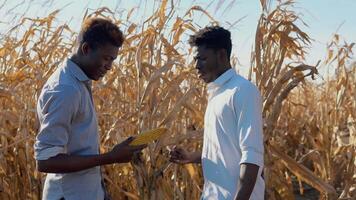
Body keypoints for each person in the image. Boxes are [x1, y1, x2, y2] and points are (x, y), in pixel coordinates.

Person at [34, 17, 146, 200]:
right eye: (106, 59)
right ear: (86, 49)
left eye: (113, 60)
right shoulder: (66, 90)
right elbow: (45, 162)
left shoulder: (79, 81)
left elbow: (80, 148)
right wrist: (110, 157)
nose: (110, 67)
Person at [169, 26, 264, 200]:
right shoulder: (217, 94)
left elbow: (252, 155)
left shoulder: (243, 90)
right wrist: (190, 157)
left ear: (221, 55)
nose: (196, 66)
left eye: (202, 59)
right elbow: (224, 150)